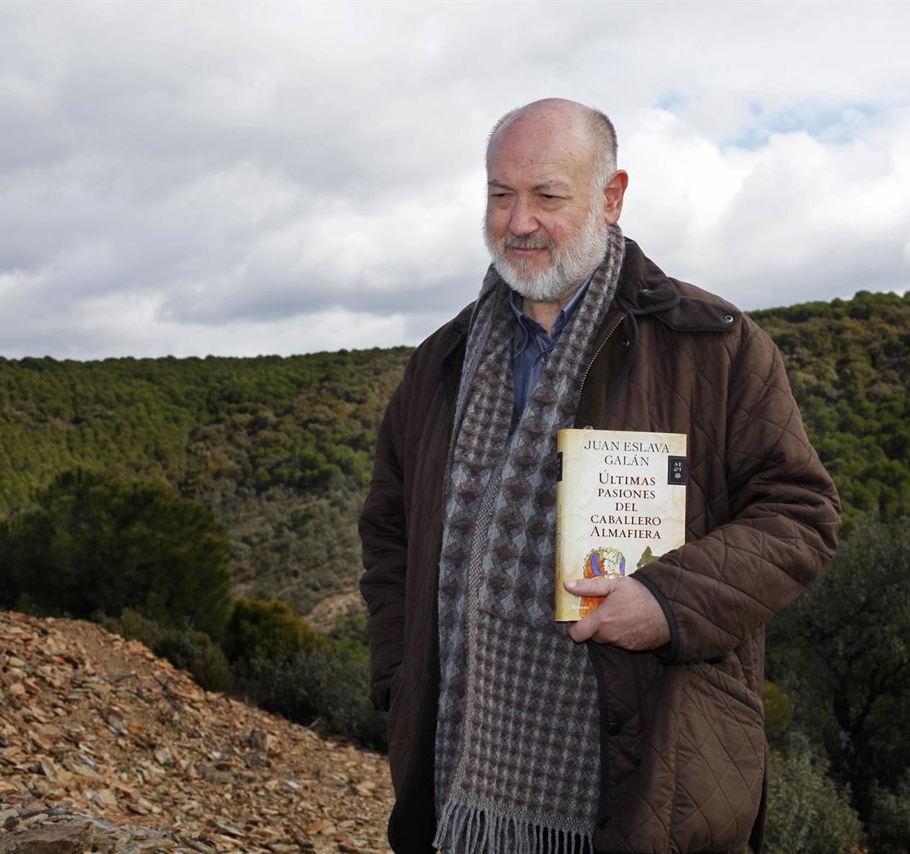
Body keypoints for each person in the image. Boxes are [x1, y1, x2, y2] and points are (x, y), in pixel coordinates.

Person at [359, 98, 841, 853]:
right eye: (500, 194)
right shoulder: (441, 363)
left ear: (611, 197)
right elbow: (390, 536)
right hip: (457, 788)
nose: (518, 221)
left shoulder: (712, 346)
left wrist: (668, 602)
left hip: (651, 782)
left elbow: (801, 517)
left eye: (547, 196)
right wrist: (400, 681)